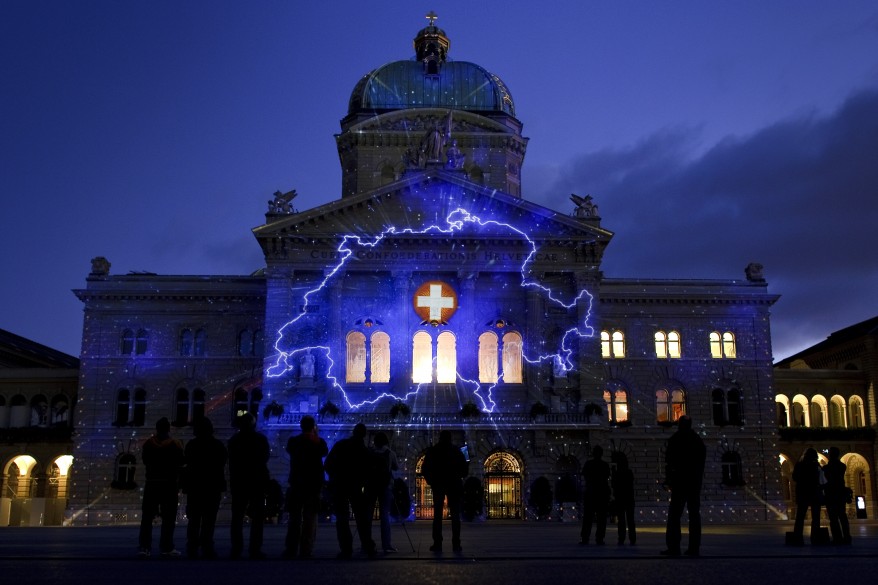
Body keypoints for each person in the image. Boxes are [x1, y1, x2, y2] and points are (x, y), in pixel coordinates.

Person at [323, 423, 376, 558]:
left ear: (353, 432)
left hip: (340, 485)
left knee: (342, 518)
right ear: (364, 435)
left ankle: (346, 548)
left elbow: (328, 464)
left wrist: (335, 477)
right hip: (356, 486)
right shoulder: (364, 450)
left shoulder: (341, 445)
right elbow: (369, 471)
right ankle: (367, 545)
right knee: (361, 518)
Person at [138, 417, 185, 557]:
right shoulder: (175, 444)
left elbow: (145, 460)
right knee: (169, 518)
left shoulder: (148, 443)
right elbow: (181, 462)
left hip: (152, 482)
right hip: (169, 484)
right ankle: (166, 547)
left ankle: (144, 547)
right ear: (168, 429)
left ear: (157, 428)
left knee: (147, 517)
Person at [227, 413, 271, 560]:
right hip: (256, 481)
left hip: (239, 482)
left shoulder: (234, 440)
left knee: (237, 517)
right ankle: (255, 548)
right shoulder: (260, 439)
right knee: (257, 518)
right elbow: (265, 458)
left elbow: (231, 462)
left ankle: (236, 548)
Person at [284, 415, 328, 559]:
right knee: (310, 518)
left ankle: (291, 549)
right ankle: (306, 549)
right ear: (313, 426)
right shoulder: (318, 442)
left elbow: (289, 450)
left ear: (301, 426)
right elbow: (324, 452)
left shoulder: (294, 441)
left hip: (297, 483)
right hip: (313, 485)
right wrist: (316, 435)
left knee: (294, 518)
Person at [182, 417, 227, 559]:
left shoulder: (191, 445)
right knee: (209, 520)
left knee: (194, 519)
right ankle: (207, 546)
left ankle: (192, 547)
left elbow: (188, 464)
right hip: (212, 487)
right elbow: (222, 464)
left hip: (195, 487)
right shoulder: (218, 445)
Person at [662, 415, 706, 557]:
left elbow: (669, 461)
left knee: (675, 515)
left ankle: (674, 547)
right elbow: (701, 463)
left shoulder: (676, 439)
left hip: (680, 482)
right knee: (694, 515)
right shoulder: (697, 440)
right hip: (694, 483)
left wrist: (669, 479)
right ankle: (694, 548)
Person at [421, 430, 468, 553]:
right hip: (454, 484)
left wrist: (431, 481)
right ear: (450, 438)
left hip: (438, 484)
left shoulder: (433, 450)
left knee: (437, 515)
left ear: (439, 438)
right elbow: (465, 470)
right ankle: (456, 544)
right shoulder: (457, 451)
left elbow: (424, 468)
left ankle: (437, 543)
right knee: (455, 516)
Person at [366, 431, 400, 553]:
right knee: (384, 515)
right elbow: (396, 469)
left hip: (371, 486)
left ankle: (367, 544)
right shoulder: (390, 453)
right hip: (386, 486)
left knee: (368, 515)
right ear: (386, 441)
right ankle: (386, 545)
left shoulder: (370, 453)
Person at [580, 445, 611, 545]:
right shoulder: (604, 465)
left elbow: (585, 476)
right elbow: (606, 478)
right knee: (601, 519)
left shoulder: (589, 464)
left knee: (588, 519)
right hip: (601, 495)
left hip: (591, 494)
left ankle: (585, 538)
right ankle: (599, 538)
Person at [791, 447, 822, 546]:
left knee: (800, 517)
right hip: (814, 493)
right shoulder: (816, 465)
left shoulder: (799, 465)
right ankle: (815, 537)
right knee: (816, 517)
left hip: (803, 493)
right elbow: (821, 479)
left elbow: (794, 477)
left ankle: (798, 538)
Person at [823, 446, 852, 545]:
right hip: (840, 493)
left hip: (831, 494)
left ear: (831, 455)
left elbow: (825, 480)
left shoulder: (827, 468)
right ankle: (847, 537)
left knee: (833, 518)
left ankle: (837, 538)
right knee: (842, 516)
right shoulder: (842, 466)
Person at [612, 455, 636, 545]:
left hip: (620, 499)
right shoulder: (629, 472)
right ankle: (632, 538)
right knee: (630, 520)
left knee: (621, 521)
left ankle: (621, 538)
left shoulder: (617, 473)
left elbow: (614, 485)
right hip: (629, 499)